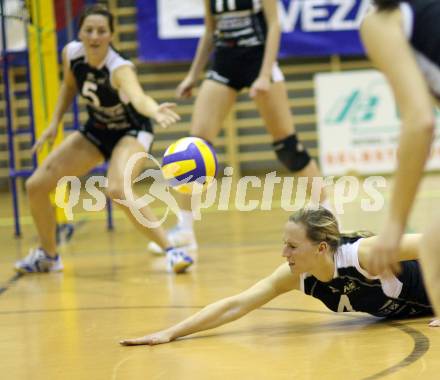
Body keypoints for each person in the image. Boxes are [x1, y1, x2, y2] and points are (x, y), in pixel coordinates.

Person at [14, 5, 193, 274]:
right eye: (89, 30)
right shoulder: (72, 54)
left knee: (118, 189)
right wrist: (54, 123)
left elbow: (139, 97)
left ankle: (172, 250)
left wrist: (154, 109)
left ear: (111, 35)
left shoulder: (119, 68)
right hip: (97, 130)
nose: (95, 36)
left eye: (101, 31)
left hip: (131, 131)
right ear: (81, 33)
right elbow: (69, 86)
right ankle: (49, 256)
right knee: (36, 185)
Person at [147, 0, 332, 255]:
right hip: (225, 63)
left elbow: (275, 24)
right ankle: (185, 229)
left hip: (259, 60)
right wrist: (193, 75)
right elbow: (210, 31)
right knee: (194, 148)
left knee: (288, 147)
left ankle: (331, 218)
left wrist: (265, 75)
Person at [121, 206, 437, 346]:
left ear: (321, 248)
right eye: (284, 244)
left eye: (292, 246)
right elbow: (236, 305)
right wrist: (171, 333)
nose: (284, 254)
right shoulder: (298, 276)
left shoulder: (363, 254)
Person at [360, 0, 440, 317]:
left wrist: (393, 225)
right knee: (433, 247)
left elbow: (420, 121)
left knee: (434, 249)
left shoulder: (379, 20)